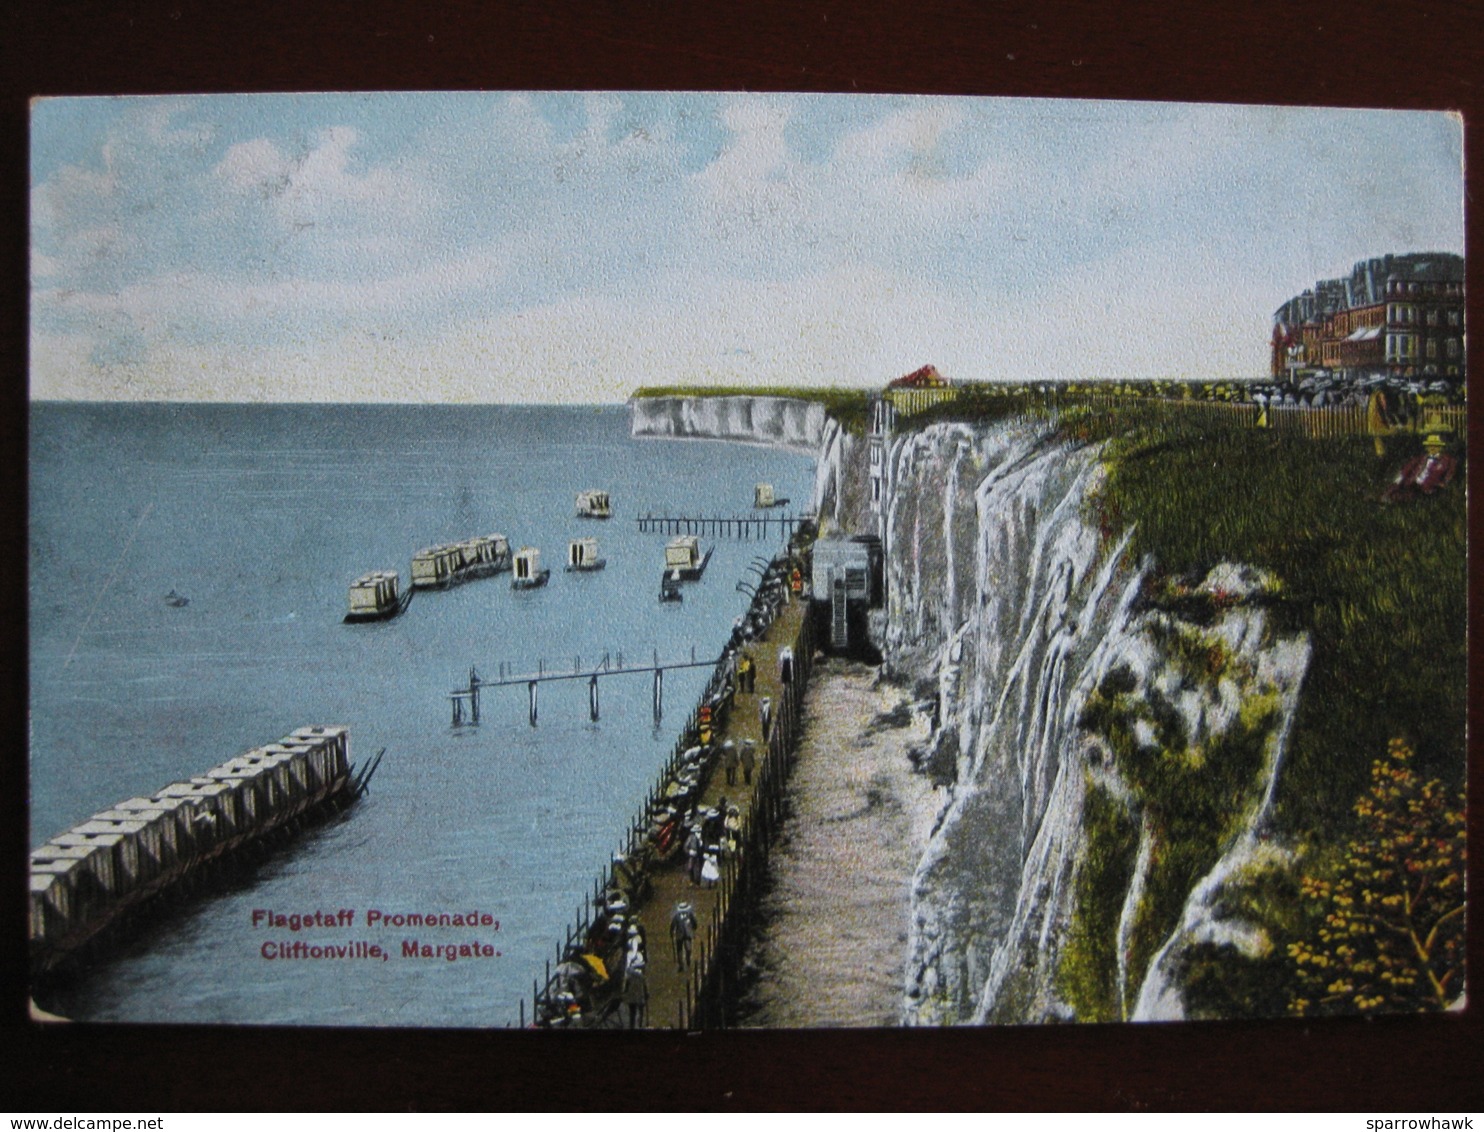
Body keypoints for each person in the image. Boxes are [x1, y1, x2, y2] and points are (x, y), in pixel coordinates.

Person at [1383, 433, 1457, 503]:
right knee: (1395, 487)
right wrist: (1401, 477)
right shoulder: (1422, 458)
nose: (1432, 448)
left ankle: (1393, 500)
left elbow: (1450, 475)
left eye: (1435, 446)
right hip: (1412, 482)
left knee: (1407, 495)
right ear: (1427, 447)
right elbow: (1408, 467)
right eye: (1430, 446)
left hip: (1427, 487)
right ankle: (1385, 499)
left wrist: (1442, 484)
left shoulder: (1447, 460)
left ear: (1440, 447)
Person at [670, 901, 697, 970]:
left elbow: (694, 923)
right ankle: (681, 964)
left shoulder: (689, 915)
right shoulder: (677, 916)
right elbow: (673, 925)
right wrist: (671, 932)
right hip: (680, 935)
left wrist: (693, 929)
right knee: (680, 950)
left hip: (687, 934)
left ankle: (687, 959)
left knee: (688, 949)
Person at [621, 964, 649, 1029]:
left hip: (632, 998)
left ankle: (632, 1026)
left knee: (632, 1014)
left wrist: (624, 994)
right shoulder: (642, 978)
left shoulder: (629, 978)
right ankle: (640, 1025)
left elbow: (626, 989)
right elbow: (645, 989)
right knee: (641, 1011)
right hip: (640, 997)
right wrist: (646, 995)